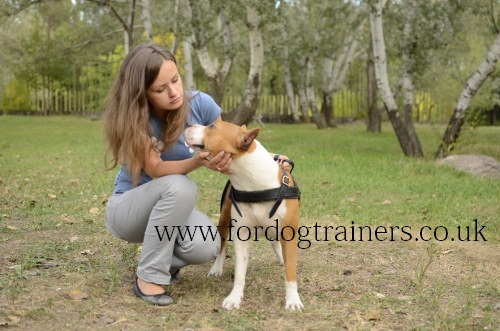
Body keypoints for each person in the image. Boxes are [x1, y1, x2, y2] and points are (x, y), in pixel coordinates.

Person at [102, 43, 232, 306]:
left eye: (175, 80)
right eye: (161, 89)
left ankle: (163, 261)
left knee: (208, 244)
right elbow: (157, 170)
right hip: (128, 210)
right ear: (143, 94)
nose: (174, 92)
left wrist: (271, 159)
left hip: (171, 211)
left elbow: (230, 140)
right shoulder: (135, 118)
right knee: (180, 185)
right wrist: (198, 162)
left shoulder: (200, 104)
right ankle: (148, 277)